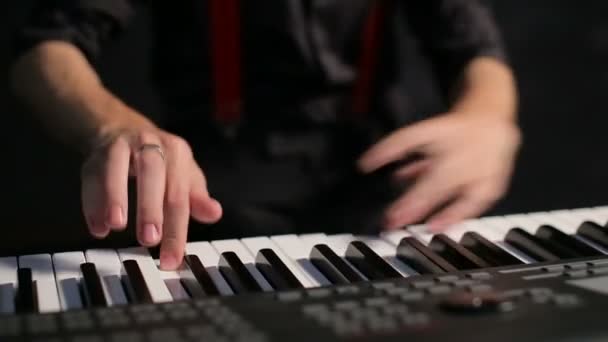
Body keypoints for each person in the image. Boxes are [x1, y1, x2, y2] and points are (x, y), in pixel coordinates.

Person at [10, 0, 520, 270]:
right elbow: (46, 48)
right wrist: (114, 126)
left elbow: (475, 50)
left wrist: (489, 118)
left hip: (377, 202)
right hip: (216, 207)